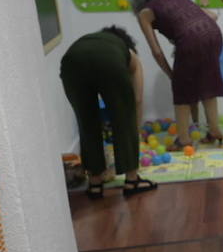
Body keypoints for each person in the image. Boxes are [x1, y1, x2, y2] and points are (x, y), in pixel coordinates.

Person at [59, 26, 157, 198]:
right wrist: (135, 132)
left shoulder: (87, 40)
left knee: (86, 122)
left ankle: (95, 183)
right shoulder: (128, 53)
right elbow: (137, 99)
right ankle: (132, 181)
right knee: (124, 117)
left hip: (71, 62)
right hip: (108, 63)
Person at [130, 0, 223, 149]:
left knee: (181, 89)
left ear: (137, 7)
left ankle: (183, 139)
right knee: (208, 82)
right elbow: (213, 16)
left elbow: (157, 51)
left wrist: (171, 74)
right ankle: (215, 130)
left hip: (190, 40)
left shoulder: (144, 13)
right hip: (214, 35)